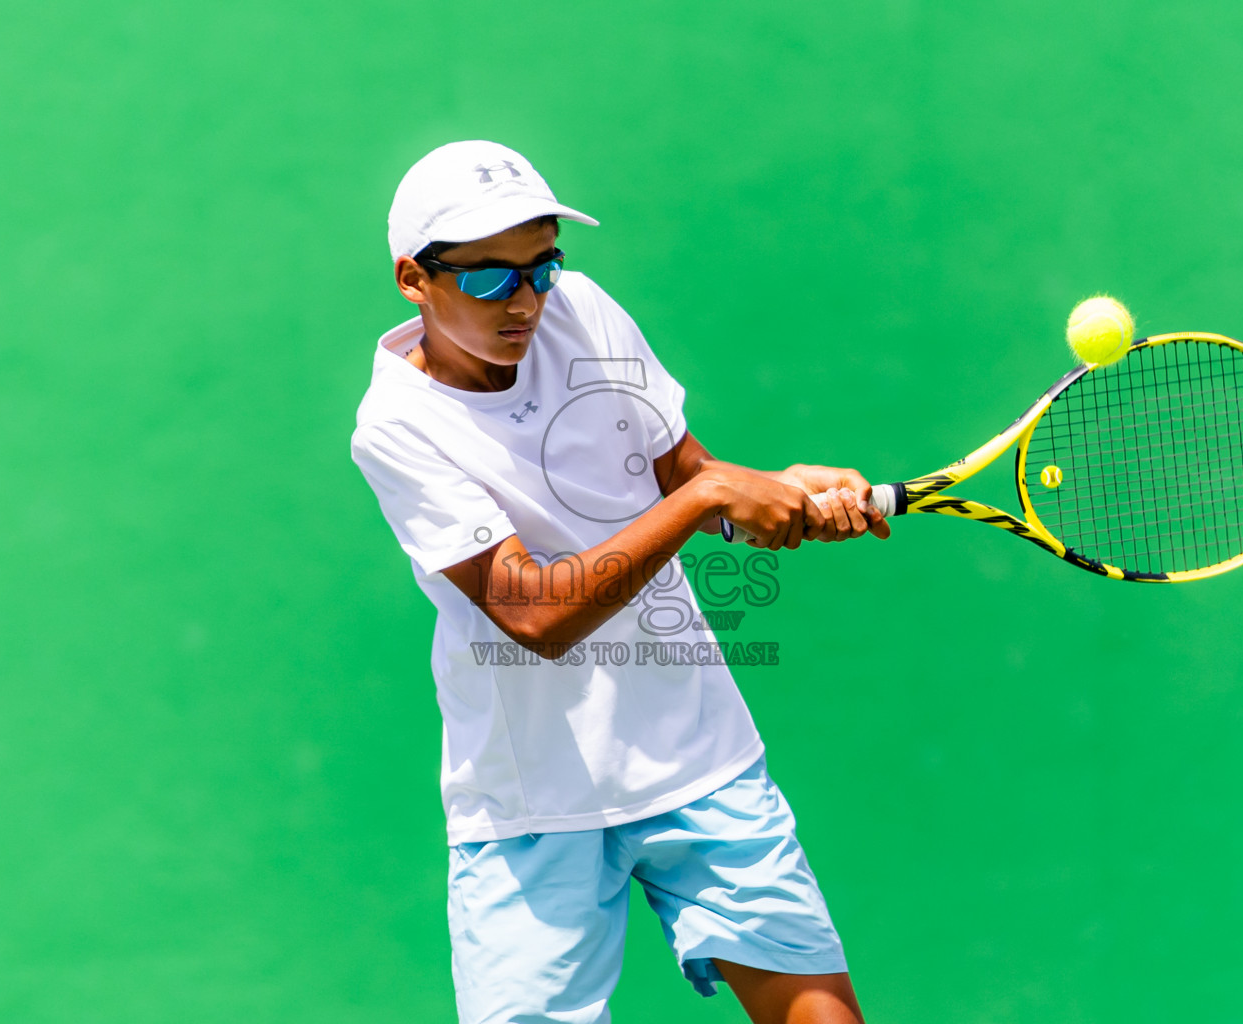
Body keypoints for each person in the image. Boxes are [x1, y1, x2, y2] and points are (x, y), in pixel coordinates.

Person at [351, 140, 888, 1024]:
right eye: (490, 279)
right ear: (416, 279)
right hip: (531, 803)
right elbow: (533, 613)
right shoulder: (395, 426)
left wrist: (769, 493)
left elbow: (681, 475)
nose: (524, 301)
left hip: (700, 755)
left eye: (542, 267)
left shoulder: (583, 312)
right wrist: (714, 496)